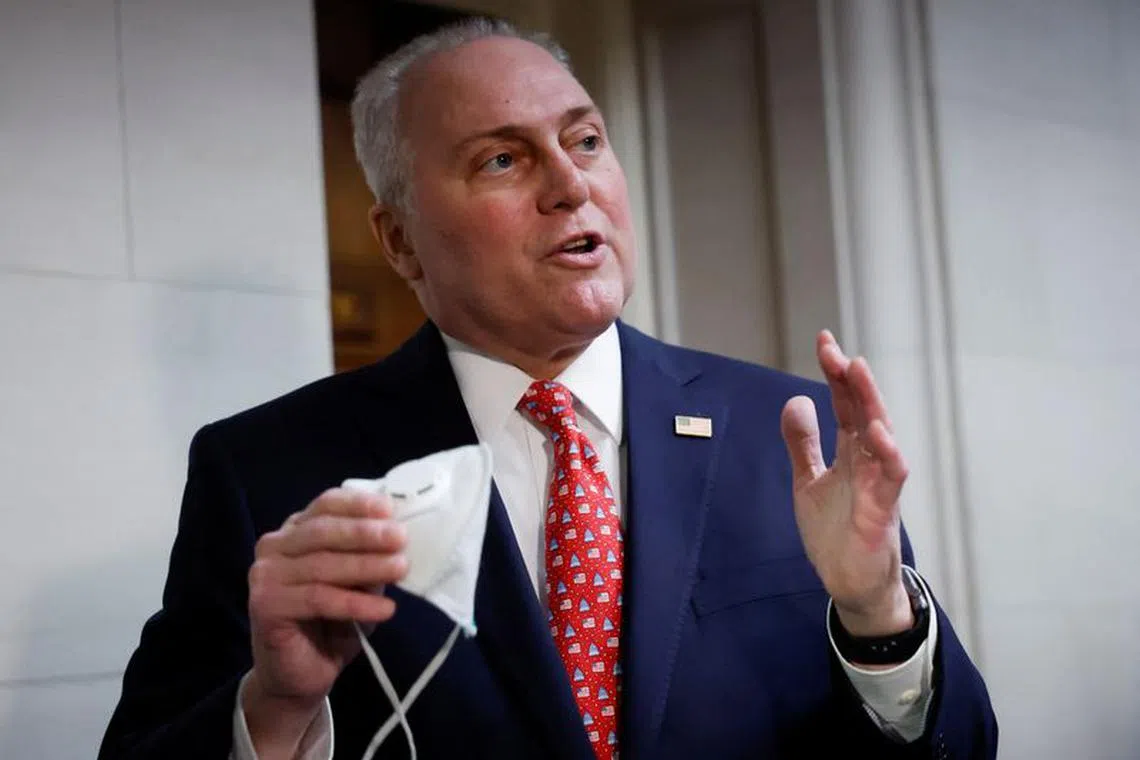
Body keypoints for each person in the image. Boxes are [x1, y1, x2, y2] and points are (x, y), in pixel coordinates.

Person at [99, 18, 997, 760]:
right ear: (401, 240)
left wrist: (878, 613)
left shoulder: (785, 432)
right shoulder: (268, 471)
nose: (572, 185)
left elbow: (961, 747)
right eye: (502, 160)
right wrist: (276, 708)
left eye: (586, 140)